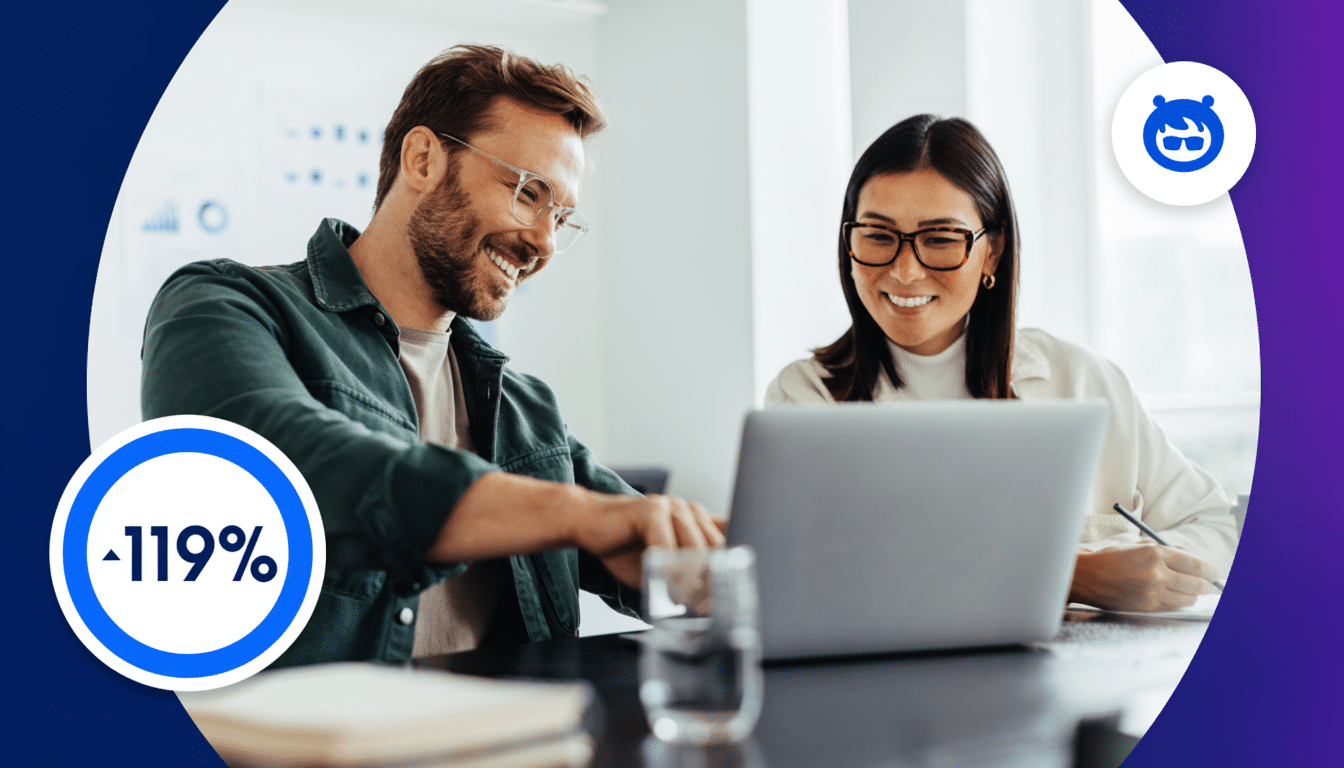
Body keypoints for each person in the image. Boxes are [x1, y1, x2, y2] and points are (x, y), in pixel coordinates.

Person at [141, 45, 723, 667]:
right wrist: (575, 514)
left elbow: (636, 534)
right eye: (528, 193)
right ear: (423, 159)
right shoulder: (226, 303)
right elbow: (286, 470)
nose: (544, 242)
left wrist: (703, 559)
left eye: (563, 217)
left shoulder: (527, 412)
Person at [765, 114, 1236, 613]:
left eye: (941, 239)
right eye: (878, 236)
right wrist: (1072, 575)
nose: (904, 271)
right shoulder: (805, 398)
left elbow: (1219, 528)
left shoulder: (1080, 380)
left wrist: (1151, 571)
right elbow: (811, 573)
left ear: (991, 253)